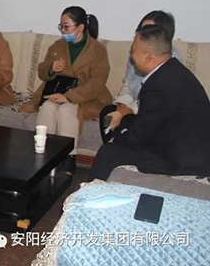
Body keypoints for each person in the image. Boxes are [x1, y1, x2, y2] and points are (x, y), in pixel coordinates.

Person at [90, 24, 210, 181]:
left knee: (108, 152)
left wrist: (117, 135)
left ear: (147, 56)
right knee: (125, 125)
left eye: (133, 51)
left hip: (180, 160)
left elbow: (138, 137)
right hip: (181, 143)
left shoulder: (158, 86)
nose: (131, 56)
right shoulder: (174, 70)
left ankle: (91, 193)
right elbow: (149, 122)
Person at [21, 6, 112, 170]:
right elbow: (42, 72)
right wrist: (51, 68)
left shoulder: (98, 49)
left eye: (66, 26)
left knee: (66, 110)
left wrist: (69, 96)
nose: (63, 30)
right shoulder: (57, 46)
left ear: (80, 27)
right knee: (47, 107)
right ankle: (43, 155)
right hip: (56, 91)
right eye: (61, 26)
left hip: (86, 96)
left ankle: (68, 158)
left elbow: (97, 82)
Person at [99, 10, 182, 139]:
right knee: (108, 112)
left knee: (129, 122)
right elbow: (128, 83)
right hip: (132, 103)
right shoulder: (136, 52)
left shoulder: (170, 62)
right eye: (142, 29)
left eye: (150, 30)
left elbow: (155, 100)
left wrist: (127, 111)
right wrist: (121, 106)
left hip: (152, 111)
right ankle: (114, 147)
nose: (143, 34)